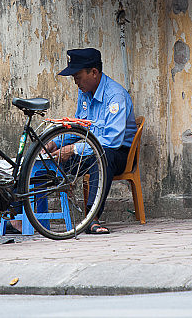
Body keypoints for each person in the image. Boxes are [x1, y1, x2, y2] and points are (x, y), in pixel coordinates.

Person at [45, 47, 137, 234]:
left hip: (117, 154)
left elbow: (112, 141)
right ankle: (19, 218)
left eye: (78, 77)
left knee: (102, 157)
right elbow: (80, 127)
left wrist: (73, 150)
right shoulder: (84, 93)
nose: (75, 82)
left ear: (94, 72)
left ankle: (92, 218)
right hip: (87, 148)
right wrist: (58, 142)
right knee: (43, 160)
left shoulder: (115, 96)